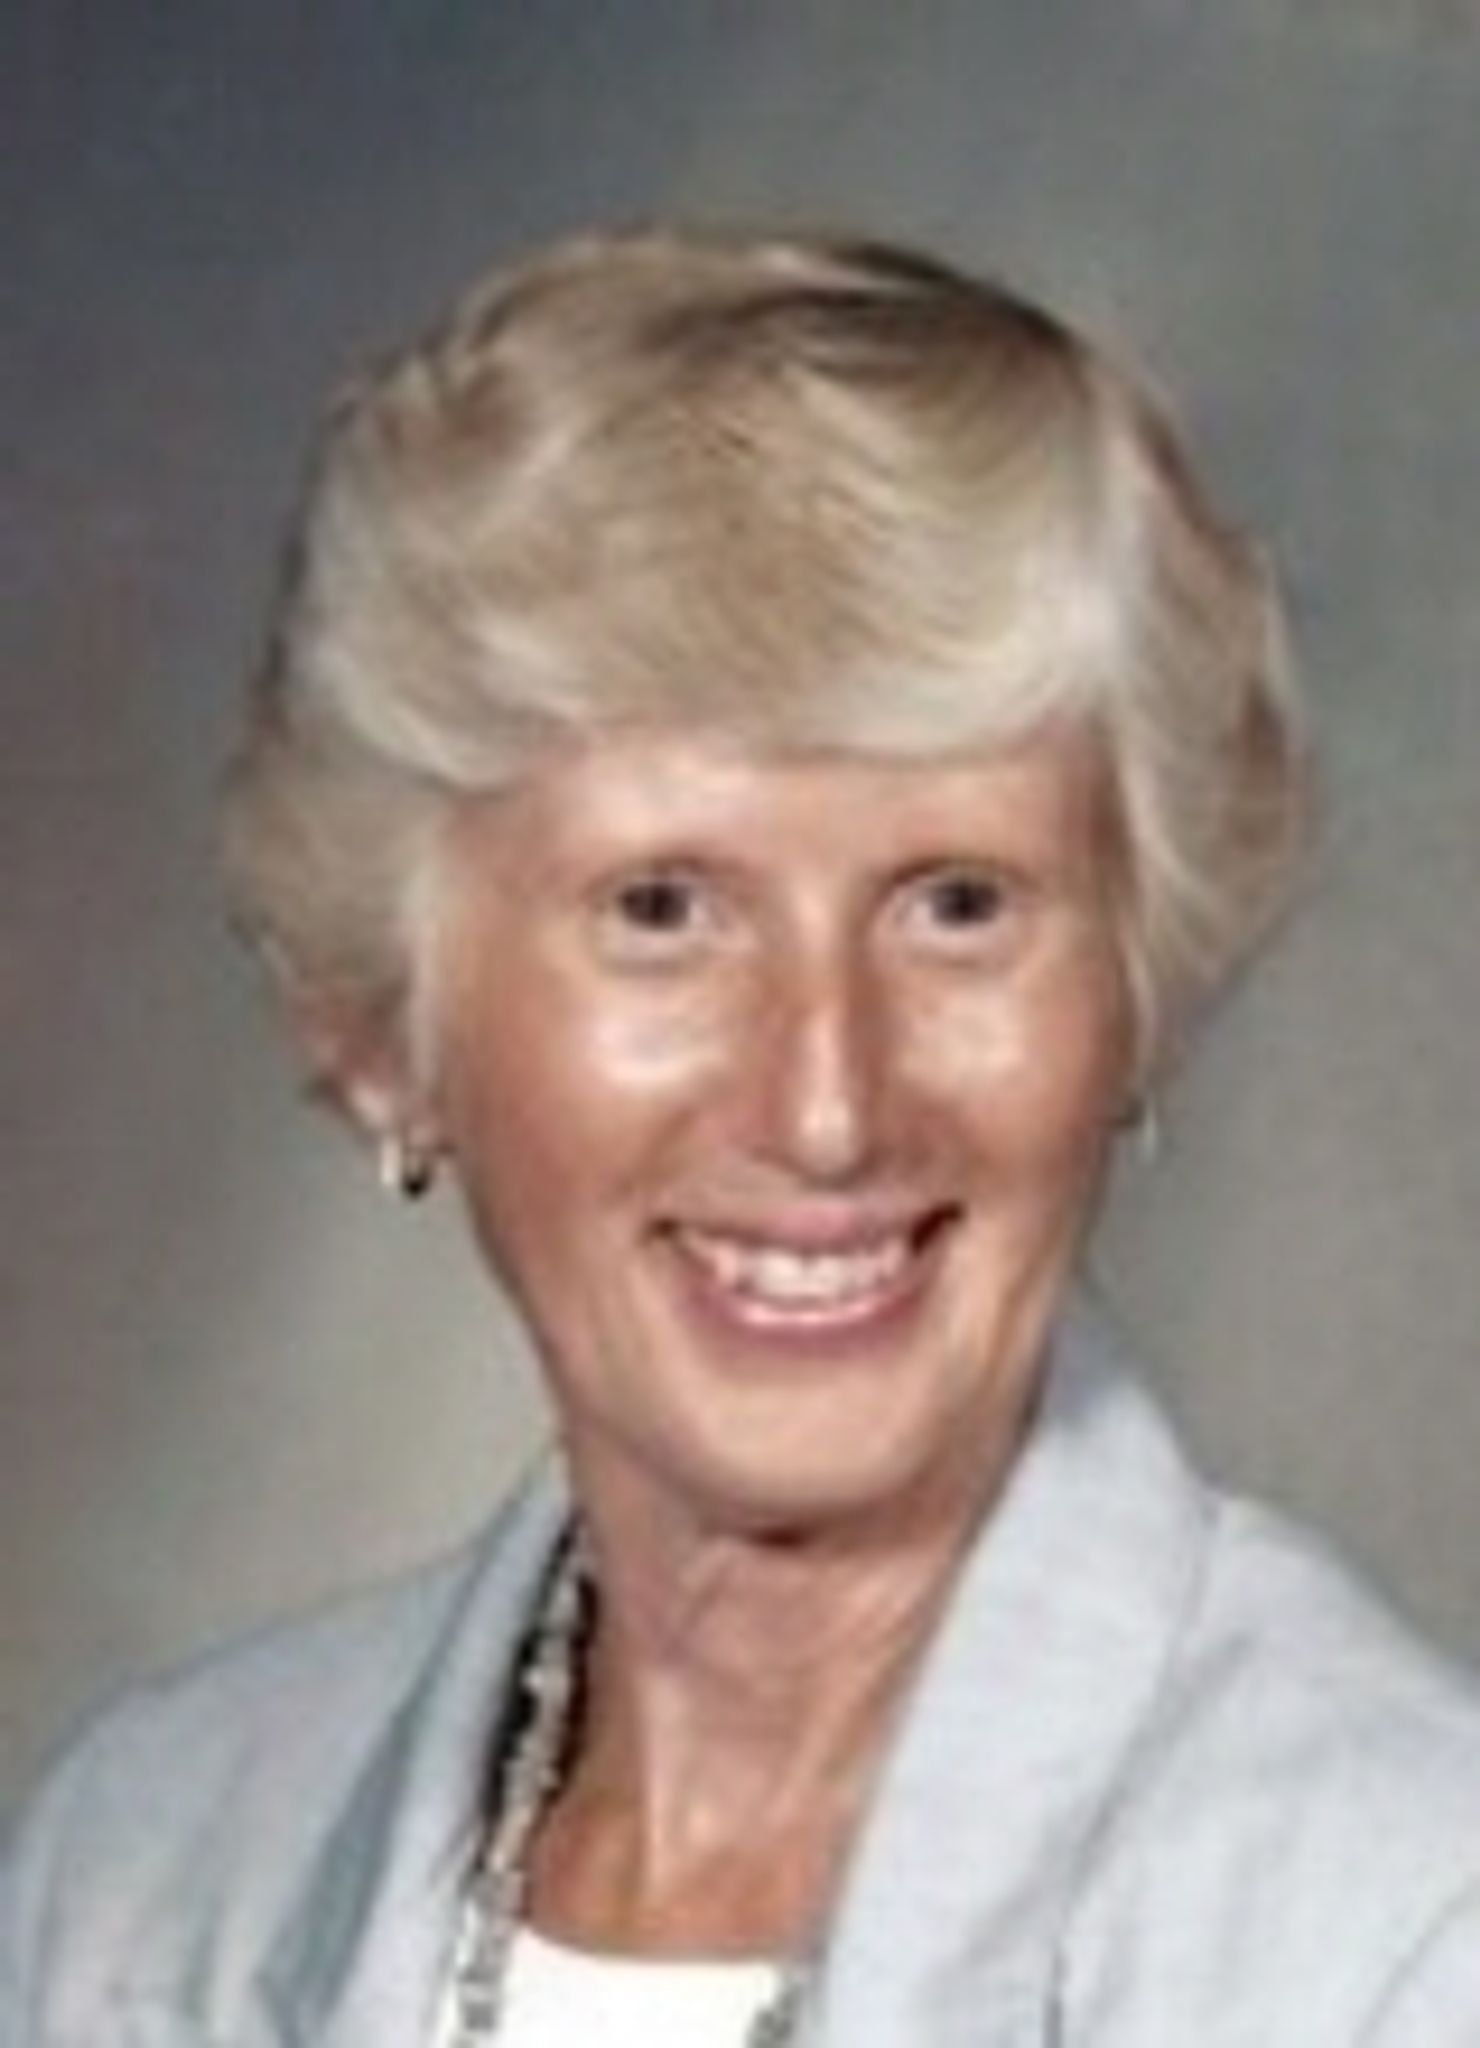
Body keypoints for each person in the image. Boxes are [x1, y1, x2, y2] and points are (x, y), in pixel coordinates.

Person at [4, 227, 1480, 2047]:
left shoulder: (1409, 1931)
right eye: (663, 909)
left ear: (1135, 994)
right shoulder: (142, 1884)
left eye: (958, 904)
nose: (828, 1105)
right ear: (384, 1027)